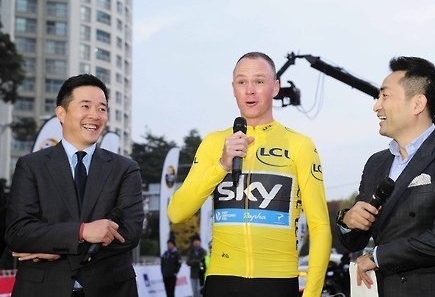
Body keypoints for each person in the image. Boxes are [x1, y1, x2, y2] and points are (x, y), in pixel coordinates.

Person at [168, 52, 332, 297]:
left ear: (275, 87)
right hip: (222, 280)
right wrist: (221, 165)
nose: (250, 90)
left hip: (278, 280)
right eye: (242, 82)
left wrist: (312, 293)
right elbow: (177, 212)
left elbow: (320, 226)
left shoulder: (300, 145)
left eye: (259, 81)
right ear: (233, 88)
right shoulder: (215, 143)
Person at [336, 57, 435, 297]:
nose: (376, 106)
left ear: (417, 104)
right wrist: (348, 221)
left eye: (385, 96)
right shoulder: (376, 163)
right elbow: (353, 242)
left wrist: (378, 257)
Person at [5, 74, 144, 297]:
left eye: (102, 108)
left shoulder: (125, 169)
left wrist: (50, 246)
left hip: (110, 289)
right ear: (61, 113)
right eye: (86, 106)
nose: (95, 115)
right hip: (42, 290)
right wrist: (83, 232)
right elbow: (18, 232)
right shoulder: (31, 166)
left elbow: (129, 234)